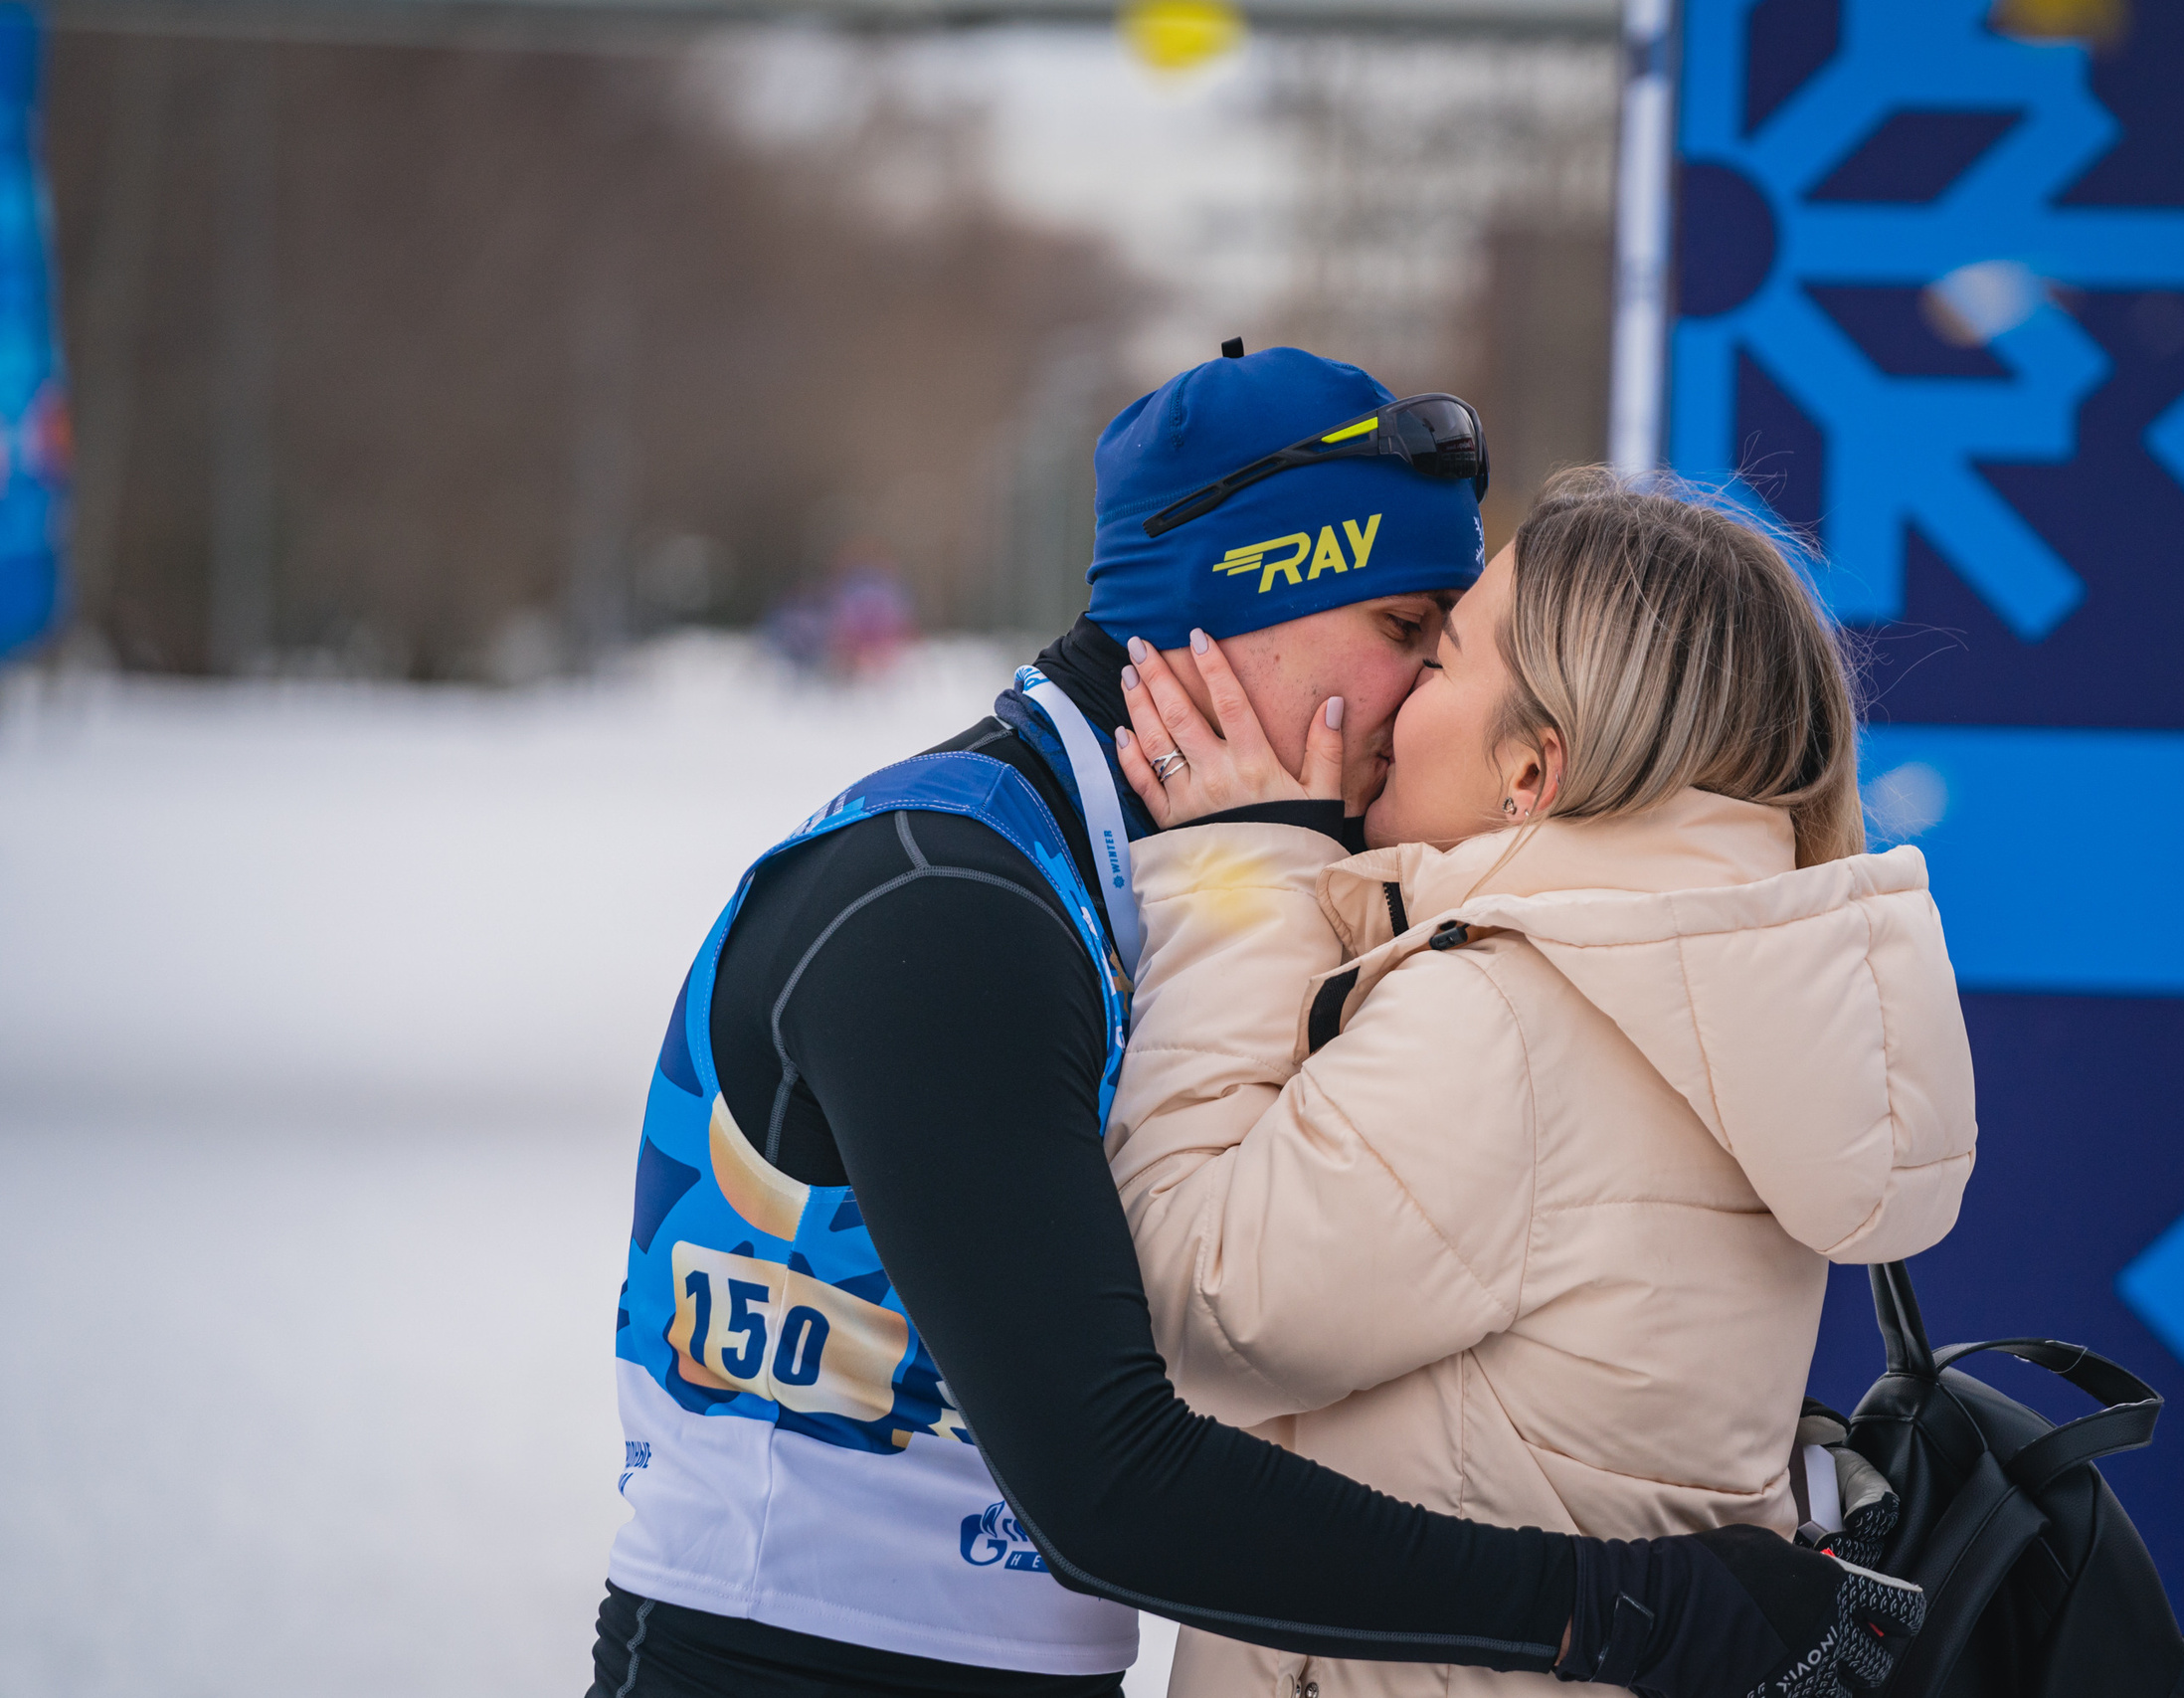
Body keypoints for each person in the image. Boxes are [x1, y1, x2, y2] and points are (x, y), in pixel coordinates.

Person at [591, 349, 1924, 1698]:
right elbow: (1112, 1476)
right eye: (1411, 628)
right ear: (1230, 610)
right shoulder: (947, 897)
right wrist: (1629, 1605)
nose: (1421, 697)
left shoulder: (1225, 884)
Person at [1106, 468, 1976, 1698]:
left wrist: (1240, 878)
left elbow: (1204, 1308)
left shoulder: (1518, 1015)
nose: (1400, 692)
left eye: (1441, 658)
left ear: (1532, 772)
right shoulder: (1698, 982)